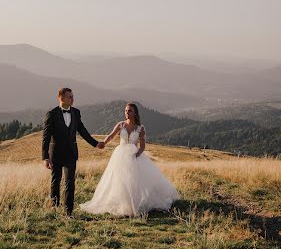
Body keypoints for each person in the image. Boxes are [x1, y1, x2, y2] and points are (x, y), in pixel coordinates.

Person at [79, 103, 181, 216]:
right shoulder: (121, 125)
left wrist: (137, 154)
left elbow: (142, 146)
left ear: (135, 113)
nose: (127, 113)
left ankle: (135, 203)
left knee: (133, 180)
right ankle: (122, 202)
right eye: (126, 111)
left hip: (134, 155)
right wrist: (103, 143)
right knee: (120, 179)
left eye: (130, 111)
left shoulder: (140, 128)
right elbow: (111, 136)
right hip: (120, 154)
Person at [42, 87, 105, 216]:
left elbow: (82, 130)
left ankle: (68, 212)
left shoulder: (76, 112)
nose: (72, 99)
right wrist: (45, 157)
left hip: (71, 154)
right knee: (55, 181)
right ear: (61, 98)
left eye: (72, 96)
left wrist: (96, 143)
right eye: (69, 97)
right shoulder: (52, 114)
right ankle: (54, 209)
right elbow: (46, 136)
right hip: (56, 154)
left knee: (70, 183)